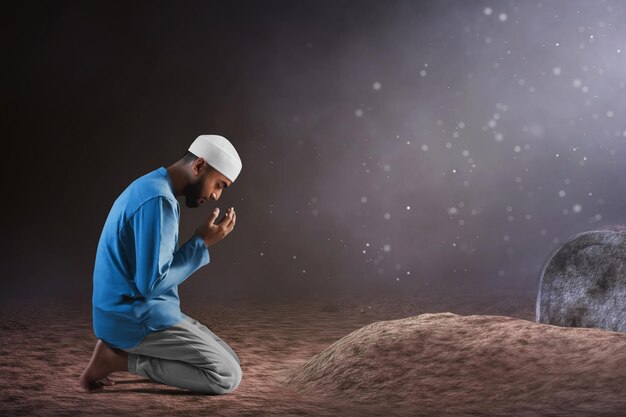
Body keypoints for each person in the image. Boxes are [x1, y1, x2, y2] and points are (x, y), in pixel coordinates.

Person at [79, 134, 243, 395]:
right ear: (199, 166)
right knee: (226, 375)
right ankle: (117, 359)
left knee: (231, 358)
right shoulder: (160, 201)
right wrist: (200, 244)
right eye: (219, 184)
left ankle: (118, 350)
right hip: (132, 318)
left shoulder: (152, 185)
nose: (215, 196)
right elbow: (151, 284)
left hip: (130, 311)